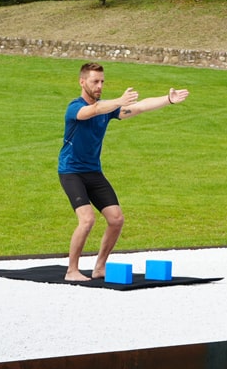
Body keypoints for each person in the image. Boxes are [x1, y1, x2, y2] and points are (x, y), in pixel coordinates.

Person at [59, 62, 188, 282]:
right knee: (87, 220)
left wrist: (167, 99)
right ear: (82, 82)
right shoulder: (75, 107)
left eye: (102, 82)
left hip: (93, 172)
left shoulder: (107, 109)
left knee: (116, 219)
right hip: (71, 172)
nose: (100, 86)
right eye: (95, 81)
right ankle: (72, 270)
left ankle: (99, 268)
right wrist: (119, 101)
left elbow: (140, 107)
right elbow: (93, 110)